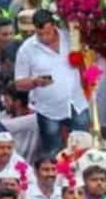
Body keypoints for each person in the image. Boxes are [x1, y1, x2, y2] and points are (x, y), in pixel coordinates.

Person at [14, 10, 89, 156]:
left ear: (54, 26)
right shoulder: (27, 49)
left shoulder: (70, 38)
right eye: (40, 34)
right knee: (53, 151)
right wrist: (35, 82)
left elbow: (86, 61)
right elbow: (19, 83)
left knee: (83, 146)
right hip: (48, 109)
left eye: (47, 33)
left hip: (77, 102)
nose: (44, 37)